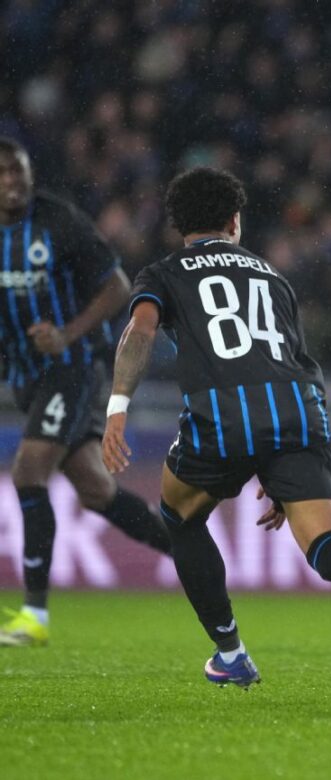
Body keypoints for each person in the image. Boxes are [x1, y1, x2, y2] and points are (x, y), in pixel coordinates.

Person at [101, 167, 331, 688]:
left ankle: (231, 653)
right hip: (300, 413)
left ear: (179, 225)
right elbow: (290, 357)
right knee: (326, 546)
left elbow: (140, 330)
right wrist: (276, 464)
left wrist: (117, 407)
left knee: (179, 518)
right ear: (234, 221)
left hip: (224, 417)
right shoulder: (271, 275)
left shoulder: (164, 273)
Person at [0, 137, 171, 647]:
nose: (12, 182)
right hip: (26, 377)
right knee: (96, 491)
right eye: (3, 173)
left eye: (18, 171)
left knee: (29, 471)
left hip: (73, 368)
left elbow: (117, 285)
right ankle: (188, 552)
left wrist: (66, 334)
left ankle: (34, 616)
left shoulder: (58, 221)